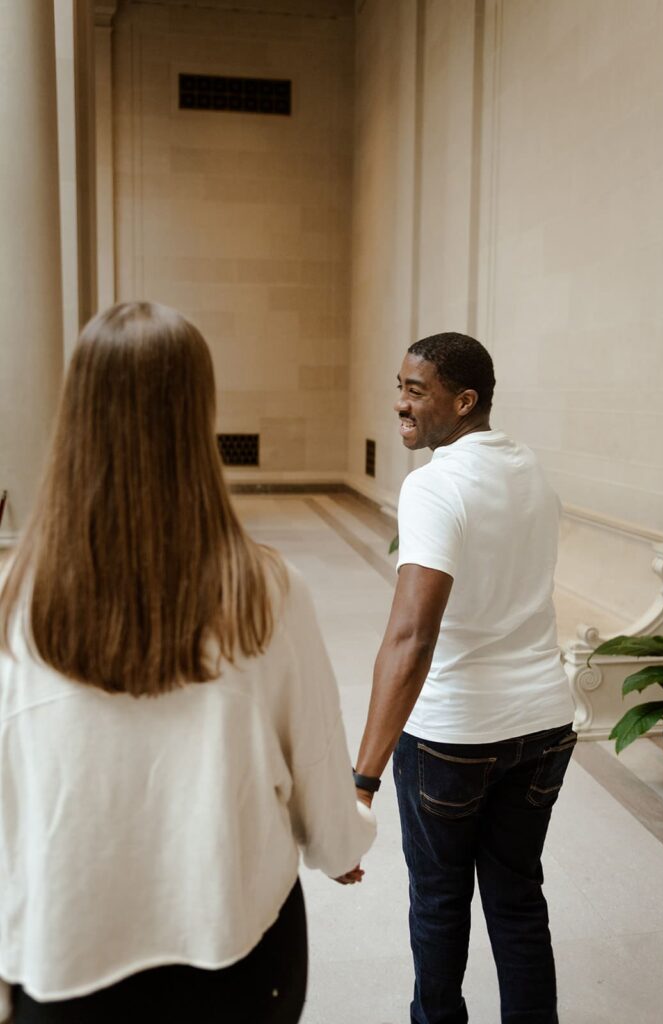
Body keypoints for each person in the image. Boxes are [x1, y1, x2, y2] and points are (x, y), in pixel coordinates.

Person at [0, 302, 375, 1024]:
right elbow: (317, 755)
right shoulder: (263, 590)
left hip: (65, 947)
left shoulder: (17, 601)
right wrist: (338, 842)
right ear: (198, 415)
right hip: (233, 950)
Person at [352, 333, 576, 1024]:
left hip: (454, 734)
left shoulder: (433, 485)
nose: (399, 403)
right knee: (516, 898)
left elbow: (411, 635)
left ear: (464, 400)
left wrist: (361, 778)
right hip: (542, 724)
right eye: (399, 386)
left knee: (440, 899)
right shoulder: (530, 469)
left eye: (415, 391)